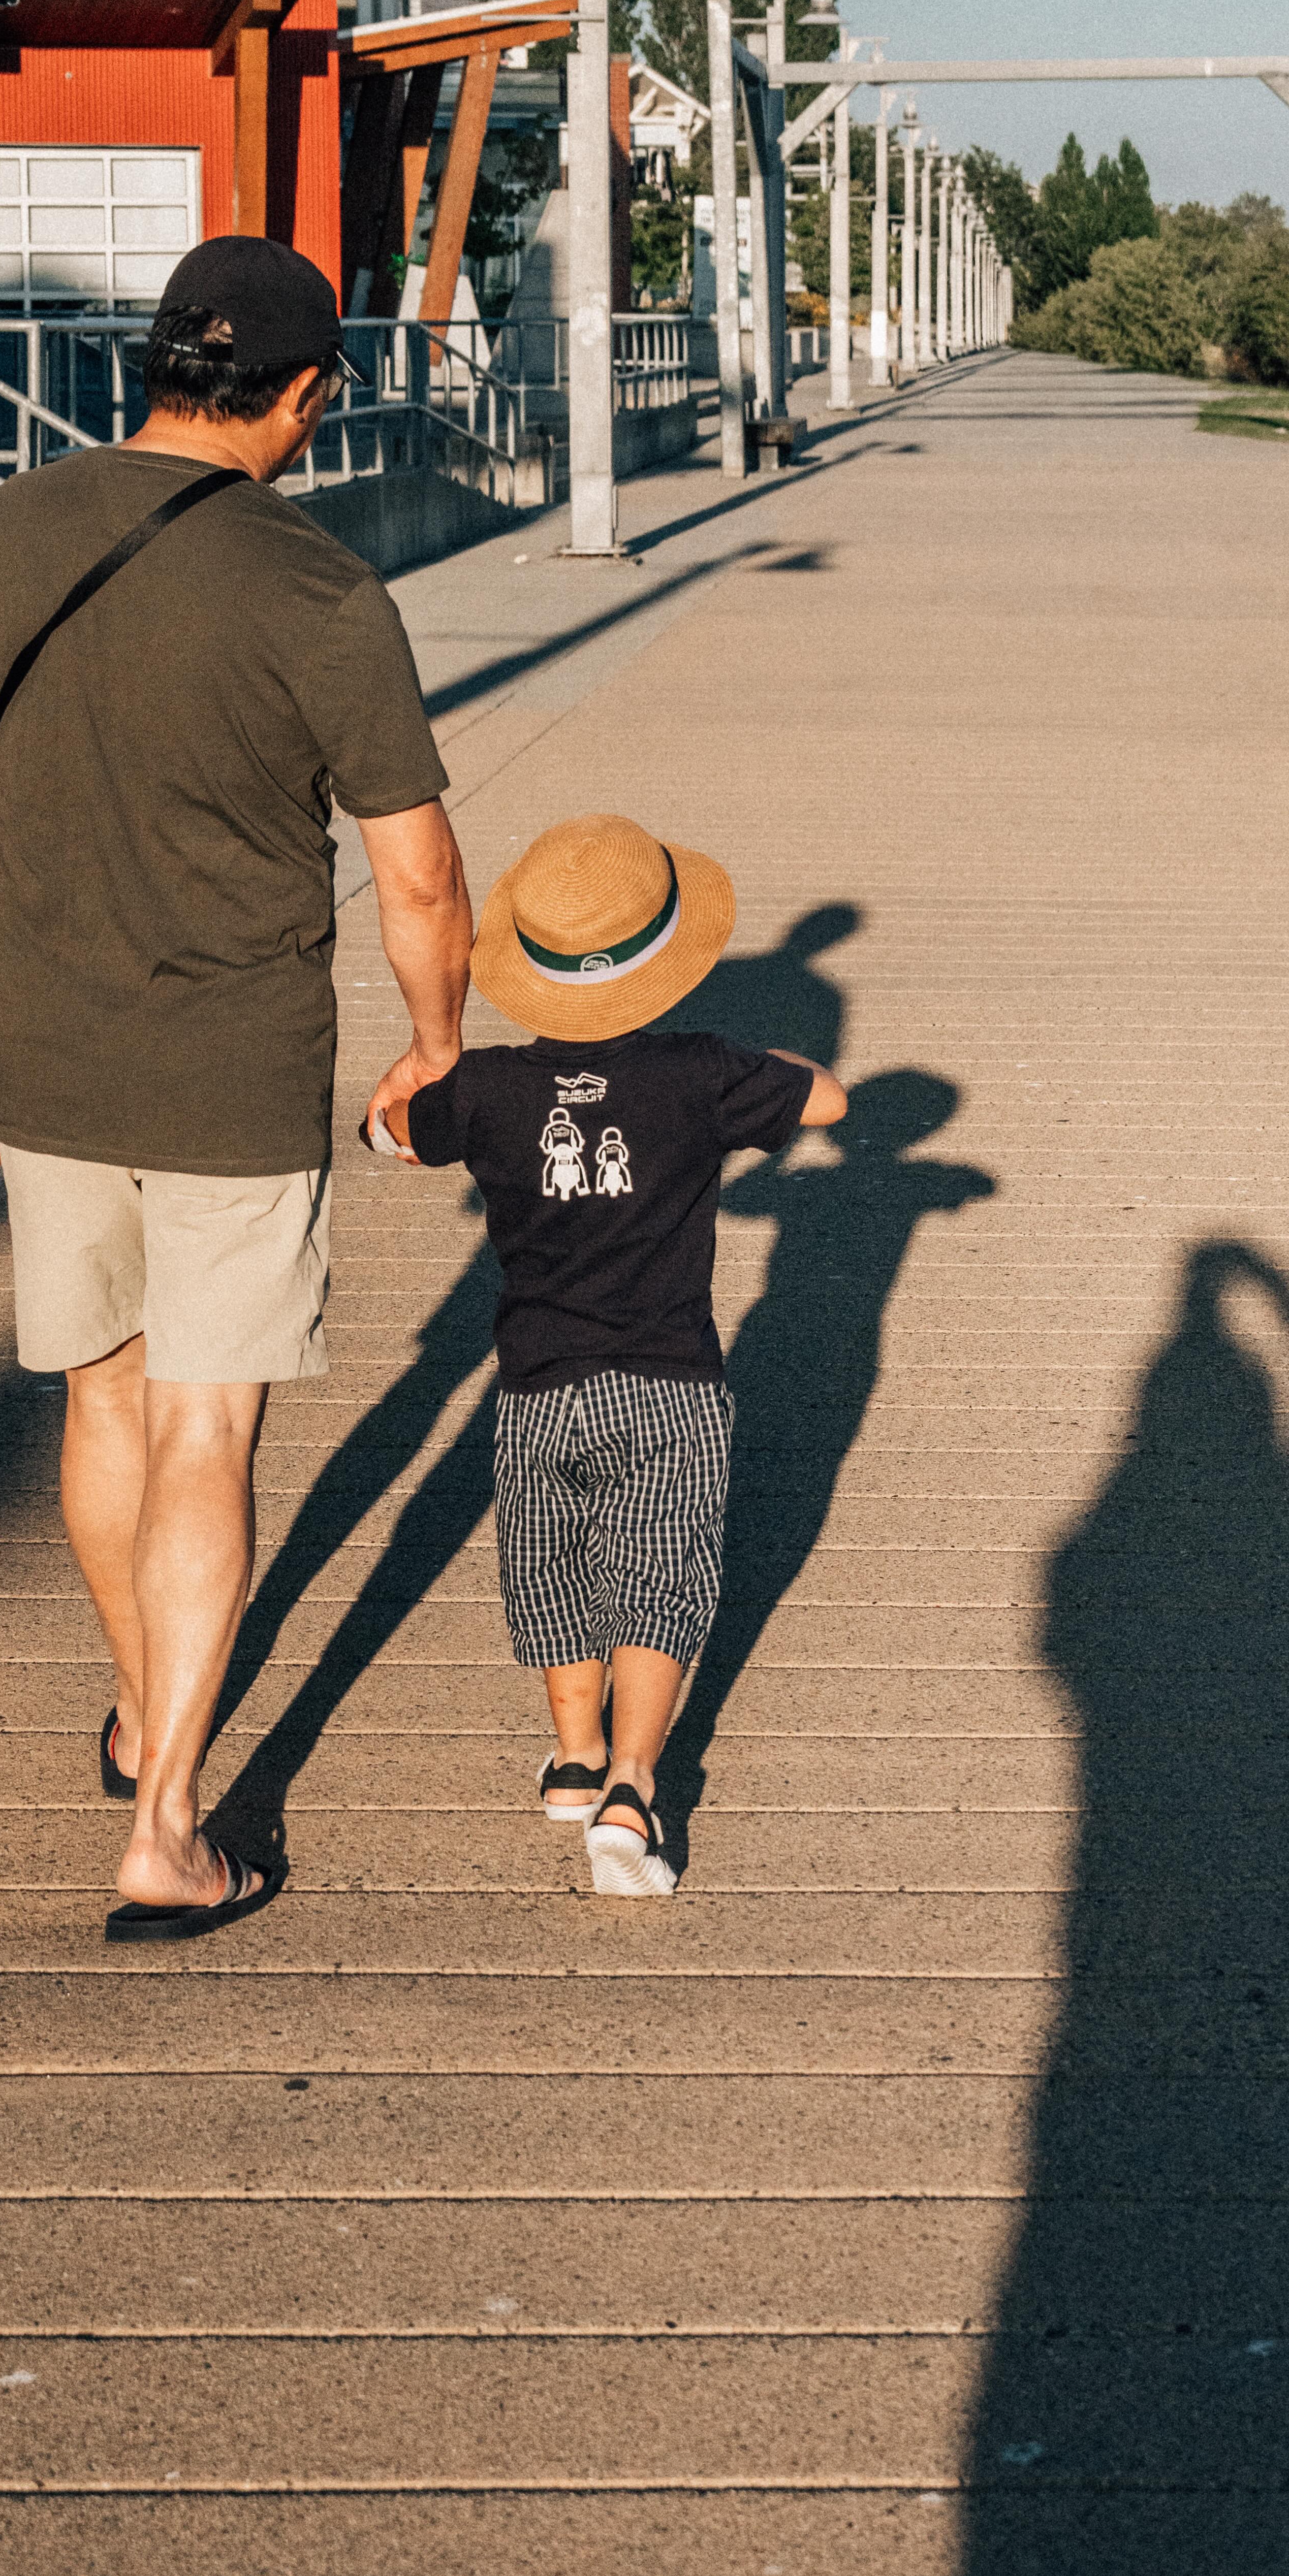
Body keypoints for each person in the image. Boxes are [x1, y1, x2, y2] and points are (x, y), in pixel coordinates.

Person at [0, 236, 472, 1945]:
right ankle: (172, 1821)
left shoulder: (7, 529)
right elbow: (415, 876)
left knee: (104, 1406)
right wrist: (435, 1046)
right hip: (232, 1073)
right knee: (209, 1420)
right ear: (303, 395)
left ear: (146, 367)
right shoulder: (318, 588)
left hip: (35, 1061)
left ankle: (140, 1714)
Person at [383, 809, 844, 1895]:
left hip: (537, 1388)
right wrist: (762, 1065)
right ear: (666, 969)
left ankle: (575, 1757)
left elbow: (397, 1131)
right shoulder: (701, 1072)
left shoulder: (488, 1088)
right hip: (670, 1383)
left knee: (550, 1572)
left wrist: (407, 1103)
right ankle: (636, 1781)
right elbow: (829, 1096)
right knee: (659, 1577)